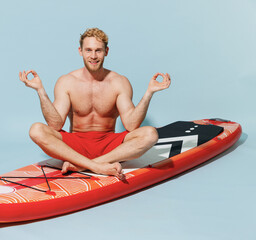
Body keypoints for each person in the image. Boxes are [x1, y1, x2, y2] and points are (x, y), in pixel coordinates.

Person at [19, 28, 171, 179]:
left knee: (150, 134)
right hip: (75, 145)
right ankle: (97, 166)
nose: (93, 56)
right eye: (88, 50)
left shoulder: (119, 82)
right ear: (80, 51)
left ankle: (82, 165)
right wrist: (40, 91)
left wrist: (149, 93)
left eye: (98, 50)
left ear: (106, 51)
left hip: (109, 145)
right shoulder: (67, 81)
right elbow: (55, 125)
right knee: (36, 130)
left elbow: (131, 125)